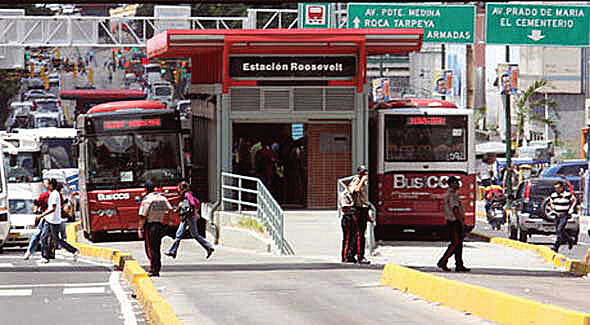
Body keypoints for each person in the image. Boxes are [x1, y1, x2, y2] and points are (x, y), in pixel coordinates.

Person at [165, 181, 214, 259]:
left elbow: (193, 204)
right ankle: (173, 251)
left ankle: (209, 247)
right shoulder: (184, 195)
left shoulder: (187, 194)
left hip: (190, 217)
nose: (177, 189)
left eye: (178, 187)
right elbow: (186, 205)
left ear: (181, 188)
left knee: (195, 235)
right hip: (186, 217)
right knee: (178, 234)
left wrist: (195, 213)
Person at [36, 179, 79, 264]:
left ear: (51, 185)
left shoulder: (55, 194)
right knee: (43, 237)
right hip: (48, 219)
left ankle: (73, 250)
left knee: (57, 239)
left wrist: (41, 215)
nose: (46, 186)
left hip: (54, 220)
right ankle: (45, 257)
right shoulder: (52, 194)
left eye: (48, 184)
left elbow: (53, 208)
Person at [138, 179, 174, 277]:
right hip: (160, 224)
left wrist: (140, 229)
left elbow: (142, 216)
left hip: (150, 226)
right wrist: (170, 221)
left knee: (150, 248)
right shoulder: (162, 198)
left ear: (145, 189)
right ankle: (157, 267)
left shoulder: (148, 199)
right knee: (157, 247)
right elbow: (170, 209)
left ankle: (153, 268)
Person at [437, 176, 470, 272]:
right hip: (454, 222)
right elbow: (455, 209)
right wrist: (462, 222)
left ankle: (459, 264)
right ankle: (443, 261)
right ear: (451, 184)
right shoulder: (452, 195)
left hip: (454, 221)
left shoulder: (453, 194)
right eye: (456, 182)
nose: (458, 184)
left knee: (459, 244)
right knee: (455, 244)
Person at [349, 165, 371, 265]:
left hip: (364, 209)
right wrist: (361, 180)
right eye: (363, 172)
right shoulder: (356, 180)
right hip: (358, 209)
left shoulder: (365, 181)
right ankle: (359, 256)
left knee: (362, 234)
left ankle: (356, 255)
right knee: (359, 234)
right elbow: (355, 190)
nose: (365, 174)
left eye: (365, 172)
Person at [548, 181, 577, 252]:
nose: (557, 189)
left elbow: (574, 200)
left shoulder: (567, 194)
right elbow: (551, 201)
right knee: (560, 231)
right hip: (557, 214)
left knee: (559, 229)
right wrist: (552, 206)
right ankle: (569, 240)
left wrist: (571, 208)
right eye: (555, 188)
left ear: (562, 187)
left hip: (564, 214)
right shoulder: (553, 195)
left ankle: (556, 247)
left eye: (558, 188)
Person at [339, 182, 357, 263]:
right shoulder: (344, 195)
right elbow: (344, 207)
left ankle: (351, 255)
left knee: (354, 237)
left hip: (353, 217)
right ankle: (345, 256)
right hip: (347, 218)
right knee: (347, 238)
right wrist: (354, 206)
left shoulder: (354, 195)